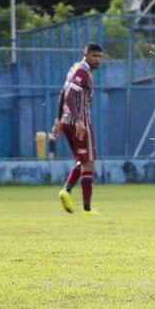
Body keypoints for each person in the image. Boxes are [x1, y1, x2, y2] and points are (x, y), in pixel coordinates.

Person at [53, 43, 103, 215]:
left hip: (69, 121)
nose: (97, 59)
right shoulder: (82, 72)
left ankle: (67, 191)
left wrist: (59, 119)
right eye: (94, 56)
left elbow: (62, 94)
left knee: (84, 160)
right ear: (86, 55)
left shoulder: (75, 69)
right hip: (78, 122)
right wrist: (79, 120)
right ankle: (86, 207)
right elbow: (69, 96)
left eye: (99, 56)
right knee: (89, 162)